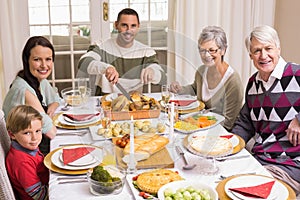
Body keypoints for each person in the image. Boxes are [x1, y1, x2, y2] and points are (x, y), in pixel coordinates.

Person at [232, 25, 300, 195]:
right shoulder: (253, 83)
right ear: (250, 56)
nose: (263, 56)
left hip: (290, 164)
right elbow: (245, 123)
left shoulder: (296, 74)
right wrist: (228, 145)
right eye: (257, 51)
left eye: (268, 48)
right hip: (259, 159)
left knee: (248, 193)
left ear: (278, 49)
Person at [78, 8, 167, 95]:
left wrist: (153, 72)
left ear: (138, 27)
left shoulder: (146, 51)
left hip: (132, 105)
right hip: (103, 102)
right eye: (124, 25)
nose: (128, 31)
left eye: (133, 26)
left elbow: (162, 76)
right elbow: (83, 63)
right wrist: (106, 68)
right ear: (116, 25)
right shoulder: (101, 45)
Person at [170, 26, 243, 131]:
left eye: (212, 50)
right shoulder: (202, 70)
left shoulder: (232, 81)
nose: (206, 55)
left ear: (223, 50)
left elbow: (228, 122)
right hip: (199, 127)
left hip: (219, 134)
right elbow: (195, 88)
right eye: (202, 50)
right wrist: (180, 89)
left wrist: (198, 127)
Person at [3, 36, 59, 155]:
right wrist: (48, 118)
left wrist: (51, 108)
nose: (44, 65)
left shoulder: (38, 80)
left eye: (48, 59)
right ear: (26, 60)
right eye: (37, 59)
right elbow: (51, 132)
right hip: (25, 155)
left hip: (33, 146)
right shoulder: (23, 90)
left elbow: (56, 99)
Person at [6, 105, 49, 200]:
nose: (35, 138)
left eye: (38, 131)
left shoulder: (27, 147)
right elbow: (38, 195)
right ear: (12, 134)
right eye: (27, 133)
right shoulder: (22, 162)